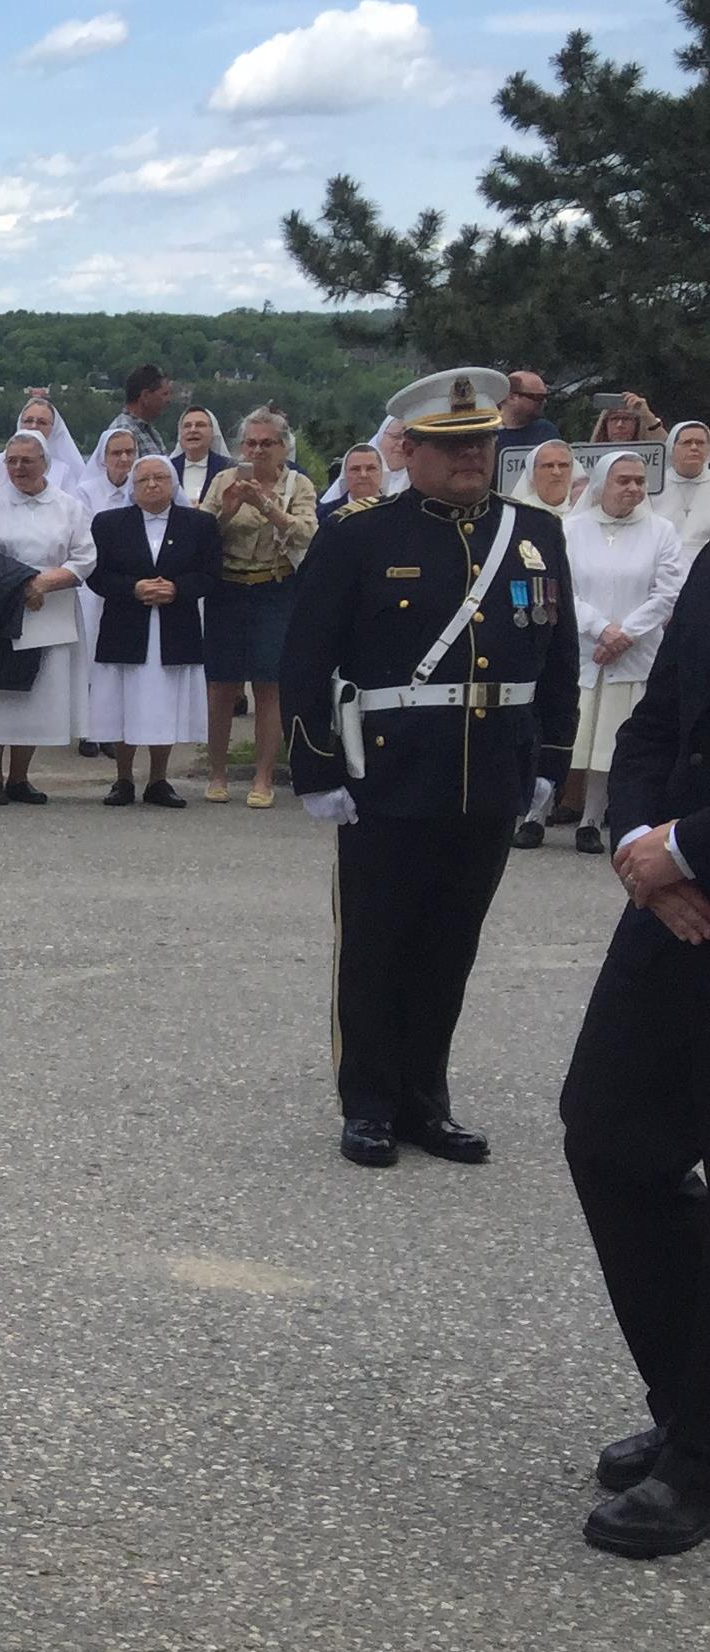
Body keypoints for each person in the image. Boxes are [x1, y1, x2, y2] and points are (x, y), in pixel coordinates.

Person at [281, 366, 578, 1170]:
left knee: (449, 947)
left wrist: (550, 758)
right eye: (450, 445)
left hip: (491, 771)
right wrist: (315, 769)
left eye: (479, 442)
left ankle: (424, 1101)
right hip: (388, 775)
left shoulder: (532, 533)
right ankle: (368, 1104)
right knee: (376, 945)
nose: (469, 457)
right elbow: (305, 657)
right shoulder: (358, 536)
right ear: (408, 451)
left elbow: (557, 657)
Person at [559, 542, 710, 1558]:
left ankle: (698, 1458)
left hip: (689, 868)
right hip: (674, 912)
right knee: (609, 1136)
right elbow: (655, 720)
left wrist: (686, 846)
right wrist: (639, 846)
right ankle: (688, 1403)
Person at [555, 452, 692, 853]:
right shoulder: (571, 529)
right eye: (624, 480)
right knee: (569, 734)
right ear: (602, 485)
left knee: (611, 740)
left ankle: (591, 820)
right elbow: (562, 587)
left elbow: (669, 591)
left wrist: (625, 634)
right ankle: (535, 813)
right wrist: (600, 628)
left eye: (639, 481)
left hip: (633, 653)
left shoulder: (661, 531)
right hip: (583, 648)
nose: (633, 488)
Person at [0, 430, 95, 804]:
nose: (18, 468)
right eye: (12, 461)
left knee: (37, 697)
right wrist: (21, 582)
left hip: (51, 610)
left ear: (45, 464)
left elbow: (85, 556)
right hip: (2, 609)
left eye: (27, 461)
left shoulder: (69, 506)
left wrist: (46, 582)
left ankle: (20, 777)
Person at [197, 409, 316, 807]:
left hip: (274, 587)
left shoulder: (297, 483)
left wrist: (267, 505)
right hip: (227, 588)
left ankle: (262, 777)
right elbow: (199, 533)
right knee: (221, 685)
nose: (258, 450)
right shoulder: (223, 480)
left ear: (283, 447)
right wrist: (229, 508)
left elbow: (307, 532)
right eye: (251, 443)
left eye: (267, 443)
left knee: (270, 684)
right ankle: (216, 772)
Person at [85, 455, 215, 808]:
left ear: (173, 483)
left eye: (160, 477)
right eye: (144, 479)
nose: (152, 484)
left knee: (164, 704)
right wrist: (134, 587)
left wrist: (176, 589)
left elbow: (210, 572)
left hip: (176, 626)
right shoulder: (109, 523)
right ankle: (123, 779)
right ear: (133, 486)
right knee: (122, 703)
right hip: (125, 625)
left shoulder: (199, 523)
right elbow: (96, 574)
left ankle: (158, 779)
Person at [105, 363, 174, 464]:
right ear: (145, 396)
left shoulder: (149, 431)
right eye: (165, 394)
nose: (169, 400)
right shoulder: (124, 431)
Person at [655, 422, 710, 548]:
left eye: (700, 443)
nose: (694, 447)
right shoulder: (656, 485)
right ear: (672, 448)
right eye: (686, 443)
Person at [167, 407, 234, 508]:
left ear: (213, 432)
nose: (193, 430)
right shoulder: (167, 469)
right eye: (187, 426)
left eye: (200, 425)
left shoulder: (228, 468)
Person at [320, 442, 391, 529]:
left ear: (382, 473)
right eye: (355, 469)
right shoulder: (324, 514)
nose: (363, 475)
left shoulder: (396, 512)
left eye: (371, 468)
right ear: (345, 474)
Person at [498, 369, 561, 457]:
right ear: (512, 397)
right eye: (538, 397)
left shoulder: (546, 431)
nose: (544, 402)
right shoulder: (487, 433)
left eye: (545, 397)